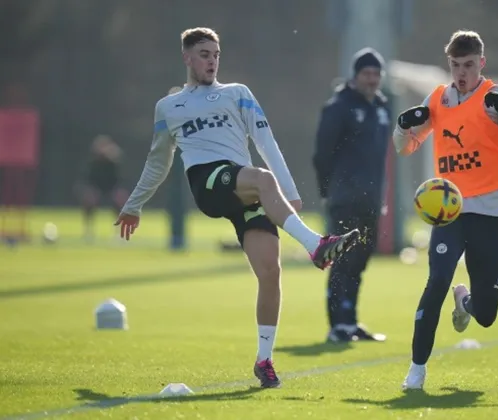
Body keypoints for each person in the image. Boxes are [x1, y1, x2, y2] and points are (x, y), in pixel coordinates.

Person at [115, 27, 360, 388]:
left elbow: (266, 141)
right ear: (186, 57)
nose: (211, 60)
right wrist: (134, 204)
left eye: (215, 54)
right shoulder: (169, 107)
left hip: (243, 189)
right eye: (203, 53)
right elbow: (157, 162)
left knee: (270, 273)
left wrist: (288, 193)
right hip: (209, 182)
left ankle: (264, 361)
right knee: (260, 179)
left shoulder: (238, 94)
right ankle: (315, 245)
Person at [392, 30, 498, 390]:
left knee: (488, 315)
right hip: (450, 213)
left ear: (482, 63)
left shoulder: (496, 98)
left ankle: (465, 301)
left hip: (489, 215)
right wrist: (403, 127)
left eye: (468, 65)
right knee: (436, 281)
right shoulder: (438, 100)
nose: (461, 73)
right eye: (454, 65)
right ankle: (416, 371)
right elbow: (404, 148)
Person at [313, 48, 390, 343]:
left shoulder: (382, 108)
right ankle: (338, 326)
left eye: (375, 74)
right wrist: (327, 191)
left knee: (360, 261)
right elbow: (322, 154)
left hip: (371, 200)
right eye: (366, 74)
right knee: (342, 261)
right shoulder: (339, 106)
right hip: (344, 199)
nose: (371, 80)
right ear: (355, 76)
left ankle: (351, 320)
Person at [77, 134, 129, 242]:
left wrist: (119, 193)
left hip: (112, 189)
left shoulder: (114, 163)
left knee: (120, 200)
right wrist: (89, 192)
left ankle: (119, 232)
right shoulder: (93, 163)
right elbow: (87, 180)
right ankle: (88, 232)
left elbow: (120, 181)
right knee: (88, 199)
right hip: (96, 189)